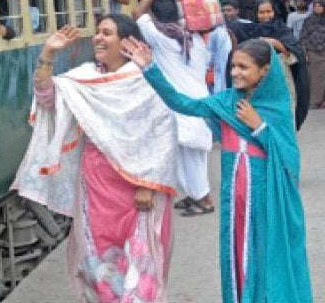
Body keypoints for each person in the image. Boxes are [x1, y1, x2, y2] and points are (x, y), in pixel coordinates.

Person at [122, 37, 313, 303]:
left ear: (265, 70)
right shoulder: (225, 101)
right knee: (237, 248)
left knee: (263, 251)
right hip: (234, 195)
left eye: (243, 67)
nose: (235, 72)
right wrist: (149, 69)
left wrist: (259, 126)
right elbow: (182, 103)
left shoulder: (277, 107)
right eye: (233, 66)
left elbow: (289, 159)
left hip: (263, 196)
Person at [12, 17, 178, 302]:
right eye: (97, 33)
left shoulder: (146, 79)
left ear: (126, 42)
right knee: (98, 263)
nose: (98, 38)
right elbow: (47, 98)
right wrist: (48, 55)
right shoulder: (85, 77)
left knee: (140, 267)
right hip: (96, 185)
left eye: (107, 33)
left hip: (137, 187)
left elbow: (163, 132)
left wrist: (149, 185)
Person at [132, 0, 214, 216]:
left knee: (191, 158)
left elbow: (137, 12)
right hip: (199, 103)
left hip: (182, 105)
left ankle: (205, 200)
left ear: (155, 17)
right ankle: (194, 195)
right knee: (190, 156)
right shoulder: (194, 38)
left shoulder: (159, 37)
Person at [230, 0, 310, 130]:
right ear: (255, 13)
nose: (266, 15)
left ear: (274, 11)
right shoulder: (247, 30)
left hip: (281, 79)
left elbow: (295, 54)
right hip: (256, 81)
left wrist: (275, 43)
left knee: (283, 111)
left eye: (269, 11)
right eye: (262, 12)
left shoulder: (282, 30)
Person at [299, 0, 325, 109]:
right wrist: (305, 53)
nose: (317, 7)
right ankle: (315, 101)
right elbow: (303, 38)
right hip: (313, 52)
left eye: (320, 5)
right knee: (314, 78)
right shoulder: (308, 20)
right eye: (315, 5)